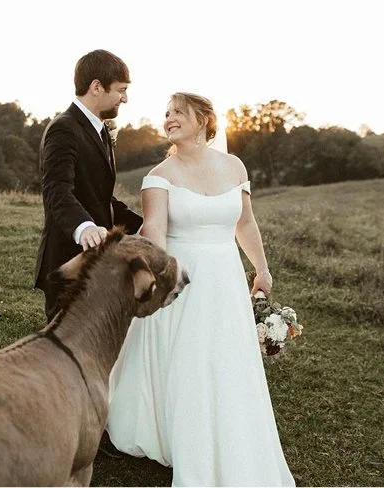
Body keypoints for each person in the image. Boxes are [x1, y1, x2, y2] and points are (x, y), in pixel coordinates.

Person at [107, 92, 295, 486]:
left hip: (225, 276)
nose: (169, 118)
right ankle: (182, 434)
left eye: (178, 112)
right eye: (167, 113)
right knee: (188, 355)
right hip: (183, 276)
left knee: (225, 355)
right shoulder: (159, 176)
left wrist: (261, 268)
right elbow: (155, 228)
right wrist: (159, 274)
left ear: (204, 119)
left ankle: (229, 425)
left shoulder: (234, 165)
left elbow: (245, 224)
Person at [34, 49, 143, 322]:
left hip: (97, 264)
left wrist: (142, 226)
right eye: (121, 90)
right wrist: (84, 228)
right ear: (96, 87)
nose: (125, 98)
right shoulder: (64, 128)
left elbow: (99, 196)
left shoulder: (101, 129)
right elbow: (57, 190)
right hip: (69, 264)